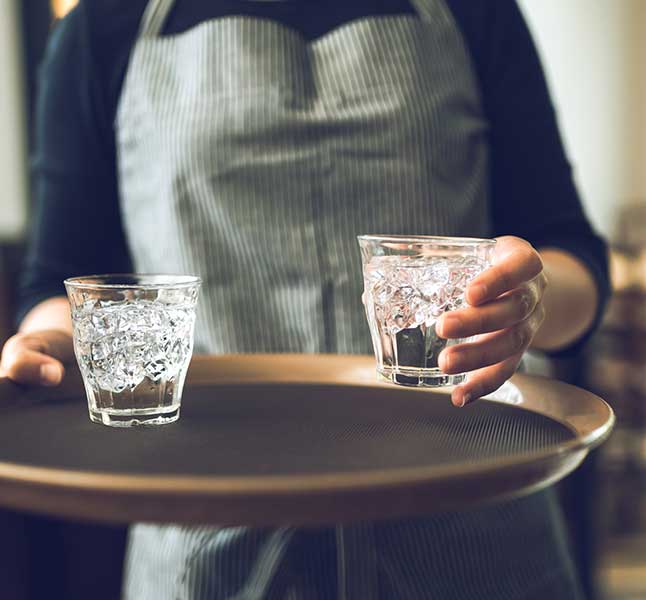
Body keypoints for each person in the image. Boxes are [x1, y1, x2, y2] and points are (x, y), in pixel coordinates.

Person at [4, 0, 610, 598]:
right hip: (205, 526)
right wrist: (53, 344)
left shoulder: (476, 13)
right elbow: (60, 277)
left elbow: (573, 255)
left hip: (474, 517)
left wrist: (530, 299)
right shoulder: (102, 27)